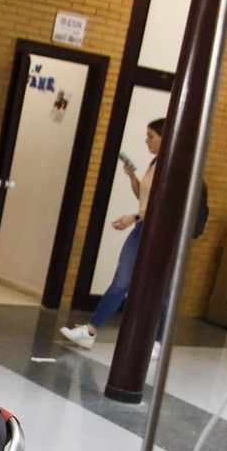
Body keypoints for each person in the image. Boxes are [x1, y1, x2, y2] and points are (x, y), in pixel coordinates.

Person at [60, 118, 165, 353]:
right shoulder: (155, 162)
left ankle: (157, 341)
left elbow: (161, 205)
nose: (146, 141)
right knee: (121, 281)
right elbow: (144, 197)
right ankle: (90, 330)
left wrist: (134, 217)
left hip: (156, 234)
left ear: (164, 137)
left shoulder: (170, 167)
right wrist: (132, 177)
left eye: (151, 136)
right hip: (141, 230)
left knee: (159, 288)